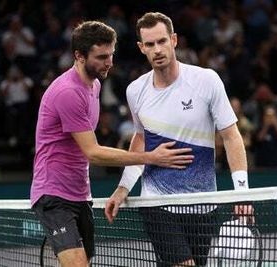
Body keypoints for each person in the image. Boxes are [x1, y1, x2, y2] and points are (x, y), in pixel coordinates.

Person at [30, 21, 194, 267]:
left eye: (111, 55)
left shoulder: (95, 84)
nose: (109, 62)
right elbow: (93, 153)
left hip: (80, 195)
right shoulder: (67, 92)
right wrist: (151, 157)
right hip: (53, 195)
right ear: (79, 56)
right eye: (101, 57)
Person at [104, 12, 253, 266]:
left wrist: (242, 192)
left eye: (162, 41)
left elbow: (231, 136)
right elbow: (141, 139)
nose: (157, 49)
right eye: (150, 44)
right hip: (157, 202)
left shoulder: (206, 80)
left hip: (203, 204)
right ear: (141, 48)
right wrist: (123, 187)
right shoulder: (136, 91)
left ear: (174, 40)